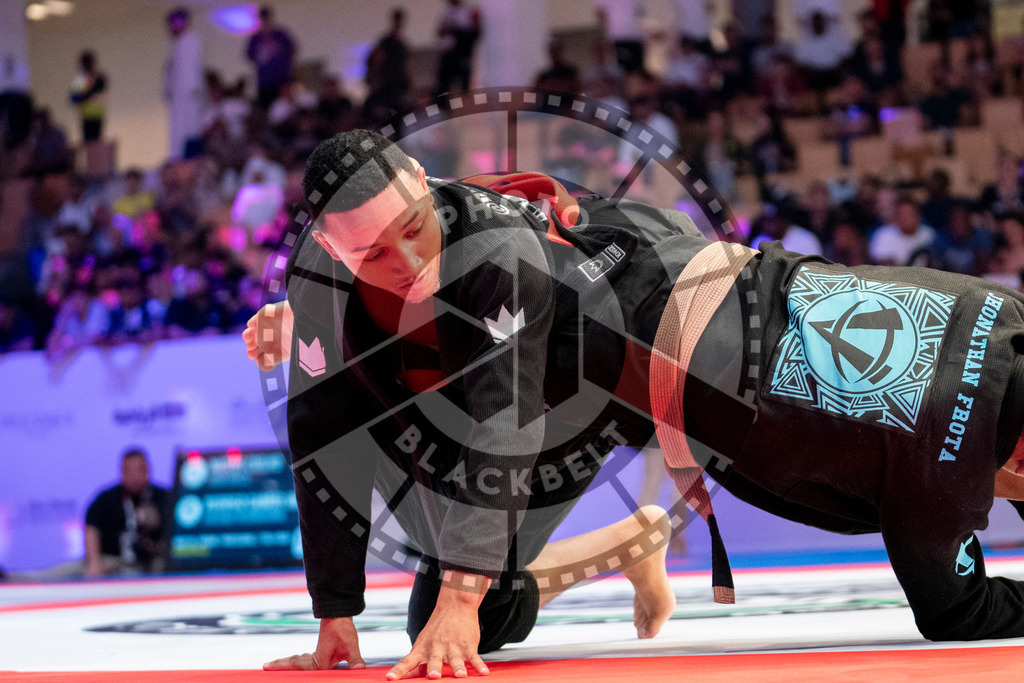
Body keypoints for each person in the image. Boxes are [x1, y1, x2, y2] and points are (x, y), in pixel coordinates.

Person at [245, 130, 1024, 676]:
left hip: (640, 327)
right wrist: (336, 613)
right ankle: (623, 541)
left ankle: (595, 543)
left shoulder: (495, 255)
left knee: (457, 596)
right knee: (453, 617)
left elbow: (502, 419)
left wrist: (459, 589)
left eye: (412, 228)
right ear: (334, 249)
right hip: (594, 354)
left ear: (422, 178)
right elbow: (324, 437)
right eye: (373, 254)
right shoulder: (326, 278)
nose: (405, 259)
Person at [83, 449, 169, 576]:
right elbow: (91, 528)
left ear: (147, 470)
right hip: (113, 561)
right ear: (122, 472)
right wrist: (94, 562)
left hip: (154, 562)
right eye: (128, 471)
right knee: (59, 574)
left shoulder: (164, 498)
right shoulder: (106, 499)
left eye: (139, 470)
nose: (134, 476)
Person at [164, 8, 204, 159]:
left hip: (188, 94)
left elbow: (191, 69)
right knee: (177, 131)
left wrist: (192, 89)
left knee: (188, 128)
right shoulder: (175, 45)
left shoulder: (191, 40)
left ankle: (188, 157)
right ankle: (178, 157)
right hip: (178, 96)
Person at [246, 5, 297, 110]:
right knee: (267, 111)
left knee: (284, 109)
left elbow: (293, 49)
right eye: (263, 18)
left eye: (266, 17)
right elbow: (249, 56)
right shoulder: (256, 38)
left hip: (282, 81)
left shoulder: (281, 35)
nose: (265, 21)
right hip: (265, 82)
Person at [69, 51, 107, 143]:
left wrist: (84, 96)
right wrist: (85, 96)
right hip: (86, 117)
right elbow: (73, 99)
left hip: (97, 116)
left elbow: (100, 88)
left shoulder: (98, 77)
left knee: (96, 144)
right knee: (88, 144)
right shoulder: (80, 79)